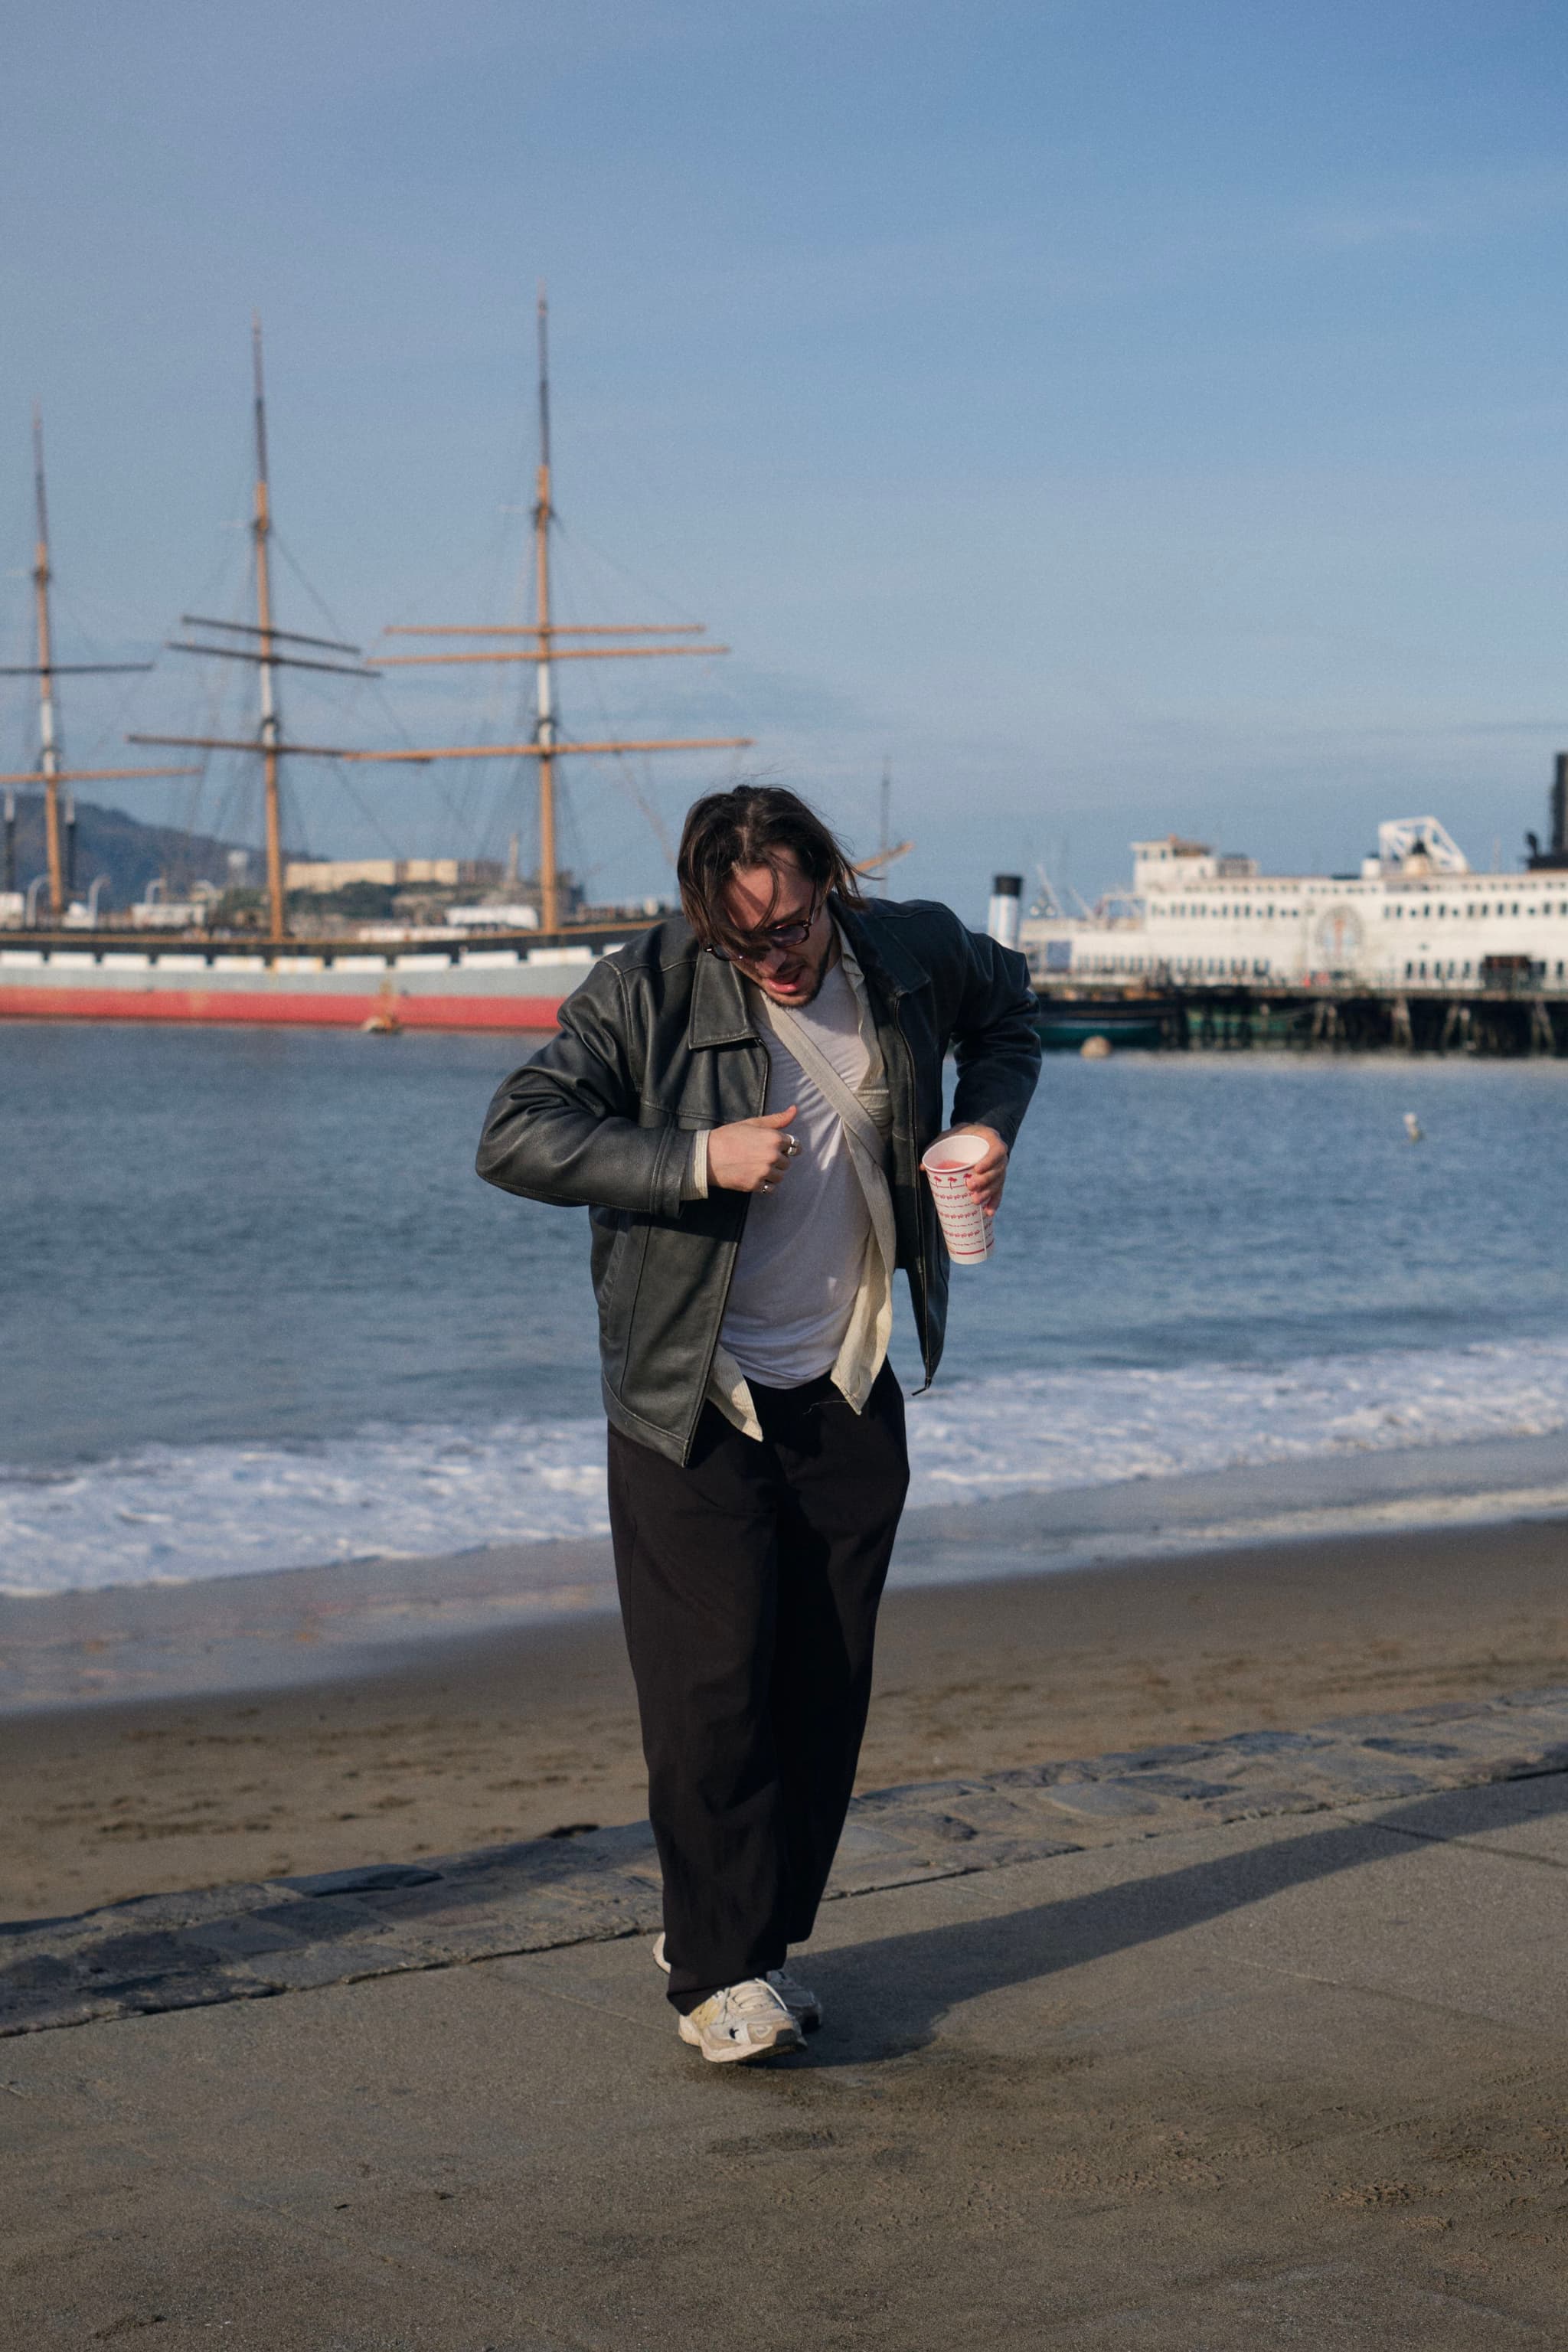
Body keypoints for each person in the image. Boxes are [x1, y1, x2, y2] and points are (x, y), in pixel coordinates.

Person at [477, 786, 1040, 2063]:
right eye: (746, 941)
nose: (776, 955)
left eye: (791, 924)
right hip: (691, 1394)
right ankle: (717, 1977)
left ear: (828, 882)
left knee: (822, 1687)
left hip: (844, 1377)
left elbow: (1011, 1011)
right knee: (711, 1685)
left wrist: (986, 1122)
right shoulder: (646, 989)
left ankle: (743, 1945)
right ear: (704, 925)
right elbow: (515, 1133)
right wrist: (692, 1161)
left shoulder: (912, 951)